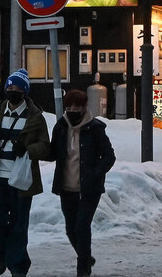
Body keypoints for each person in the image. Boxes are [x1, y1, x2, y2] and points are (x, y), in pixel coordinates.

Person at [0, 69, 51, 277]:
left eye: (17, 88)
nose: (13, 91)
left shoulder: (36, 117)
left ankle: (18, 266)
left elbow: (46, 147)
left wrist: (29, 150)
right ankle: (0, 254)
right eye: (10, 87)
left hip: (22, 181)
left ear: (25, 92)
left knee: (19, 225)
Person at [44, 89, 116, 277]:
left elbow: (109, 156)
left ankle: (82, 268)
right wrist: (34, 148)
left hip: (89, 188)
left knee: (82, 226)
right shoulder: (60, 127)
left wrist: (94, 173)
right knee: (70, 229)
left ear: (84, 108)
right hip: (66, 186)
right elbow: (52, 153)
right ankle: (85, 257)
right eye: (69, 107)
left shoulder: (96, 129)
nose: (72, 110)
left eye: (76, 107)